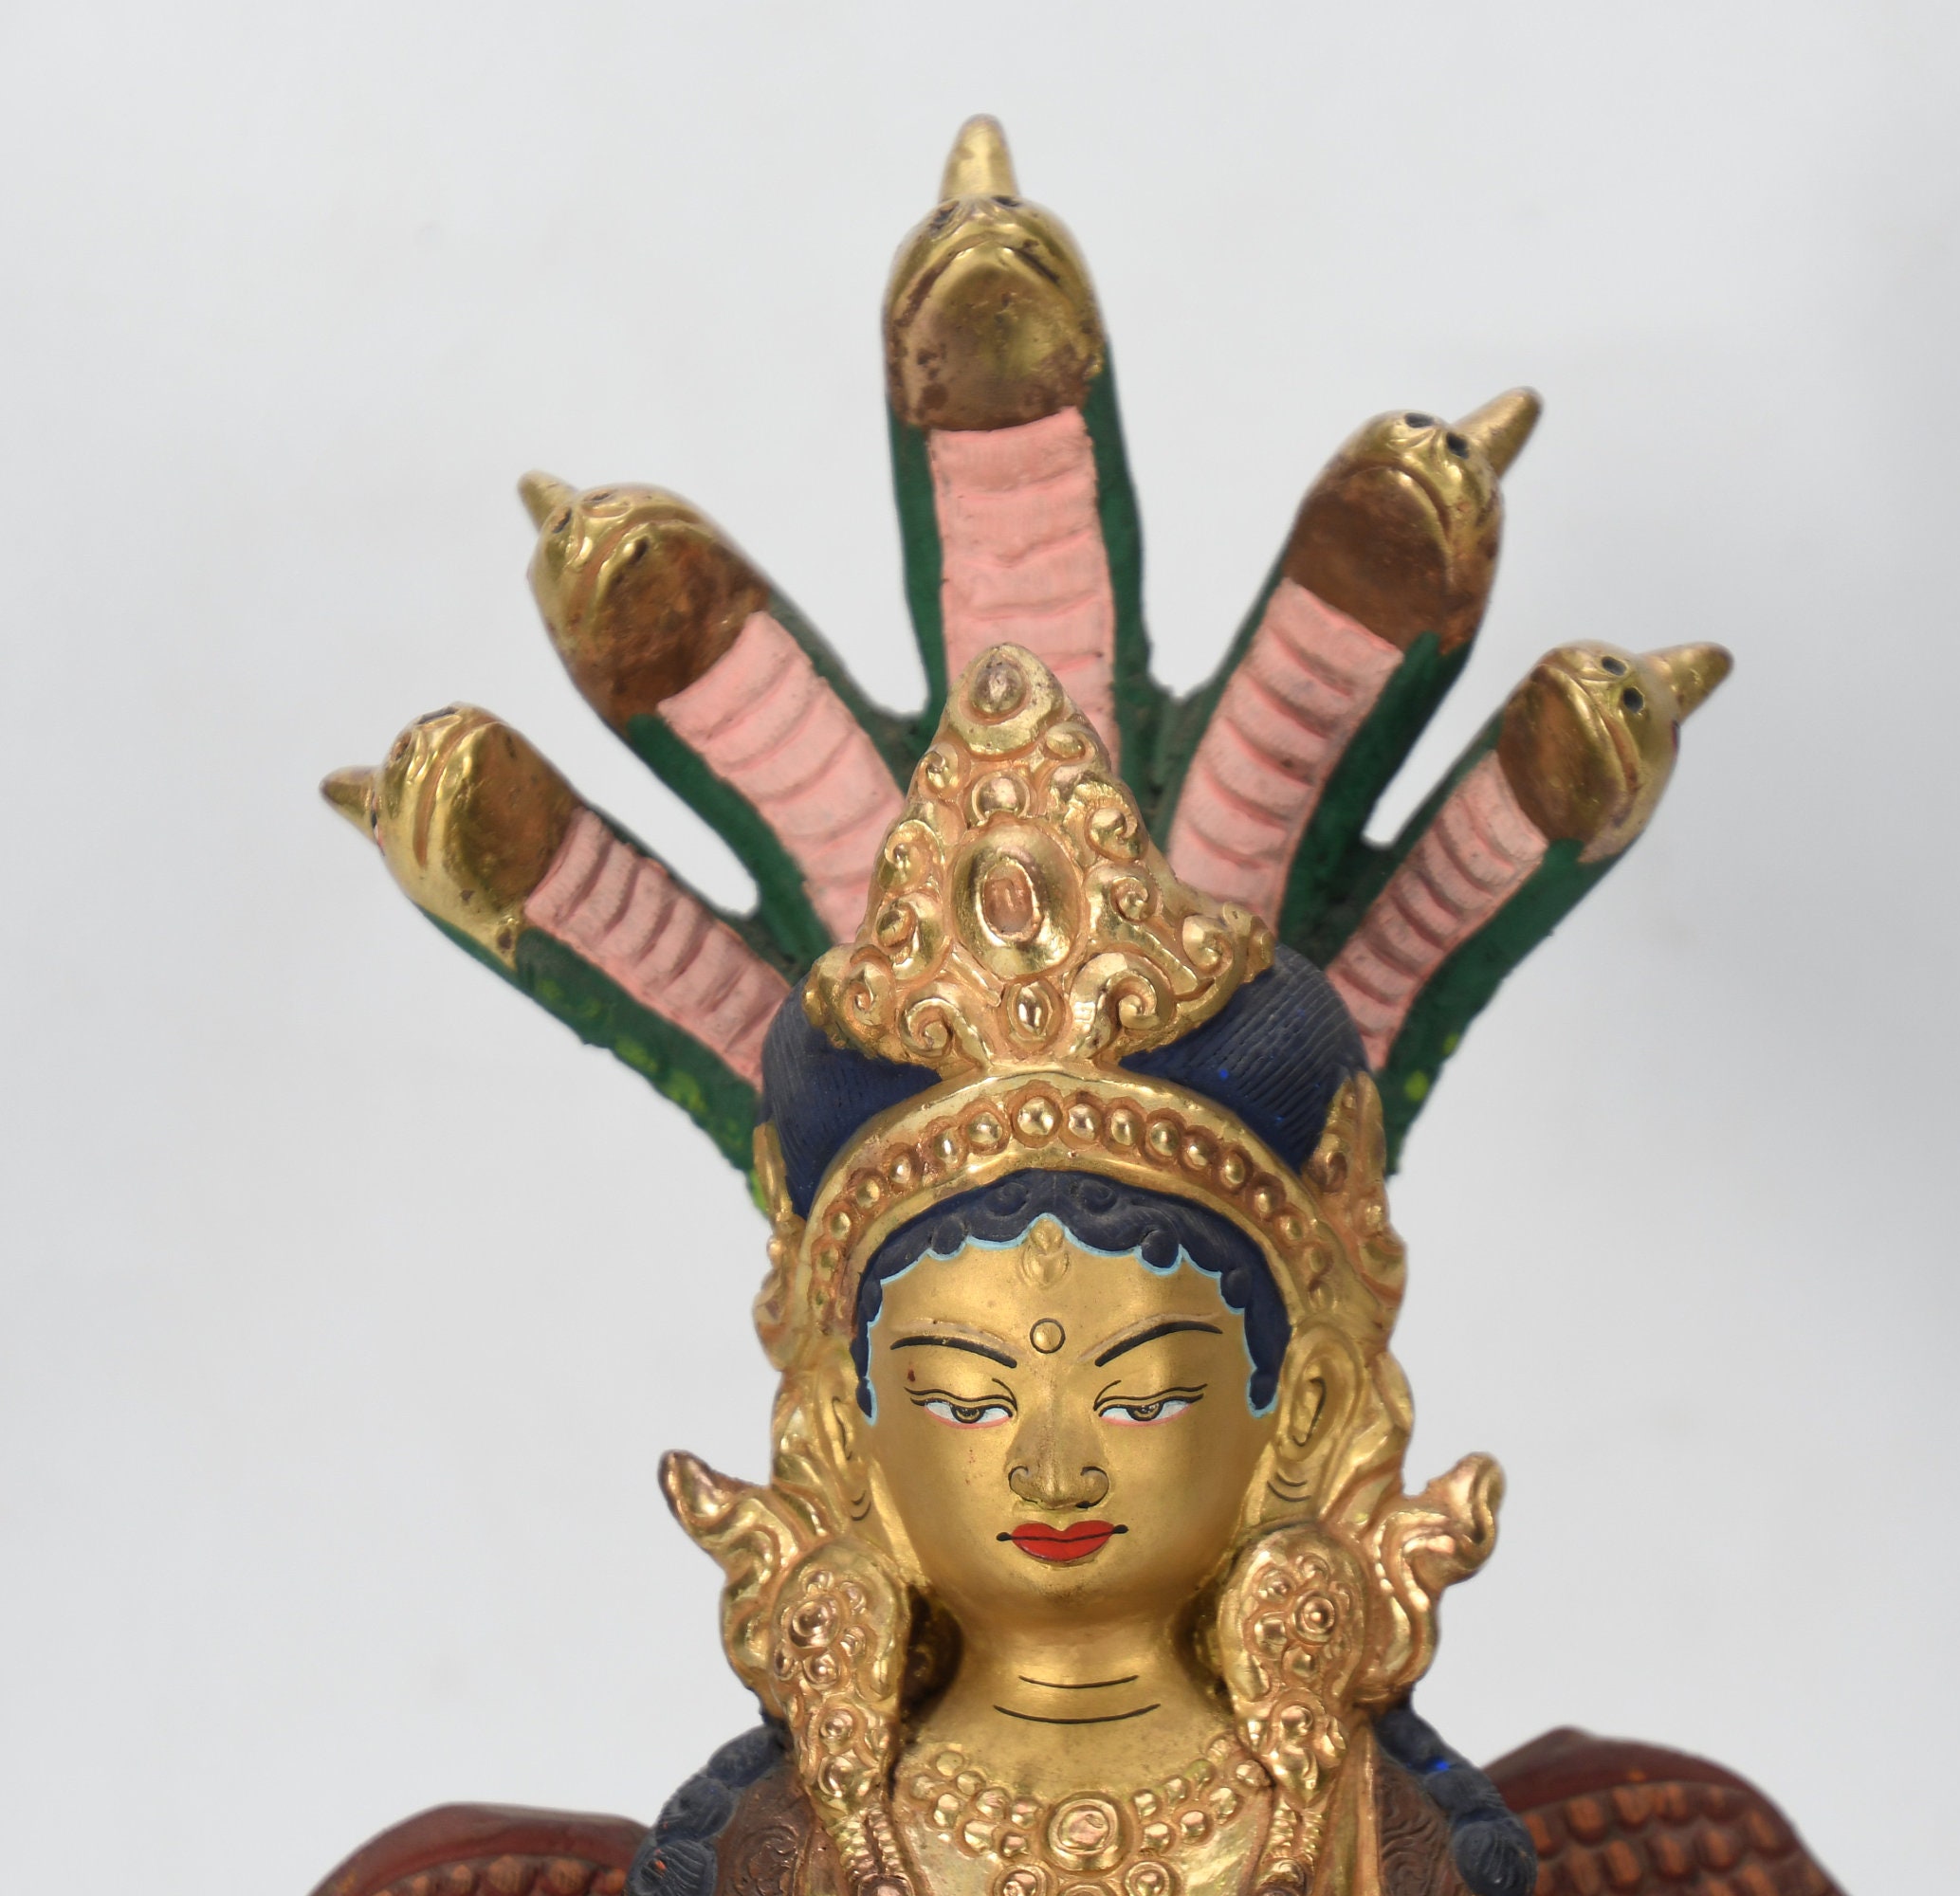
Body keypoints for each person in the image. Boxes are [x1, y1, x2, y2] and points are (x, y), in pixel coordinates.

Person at [313, 121, 1837, 1896]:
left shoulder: (1377, 1830)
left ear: (1302, 1409)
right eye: (962, 1394)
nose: (1053, 1461)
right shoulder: (789, 1844)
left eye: (1150, 1388)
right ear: (844, 1433)